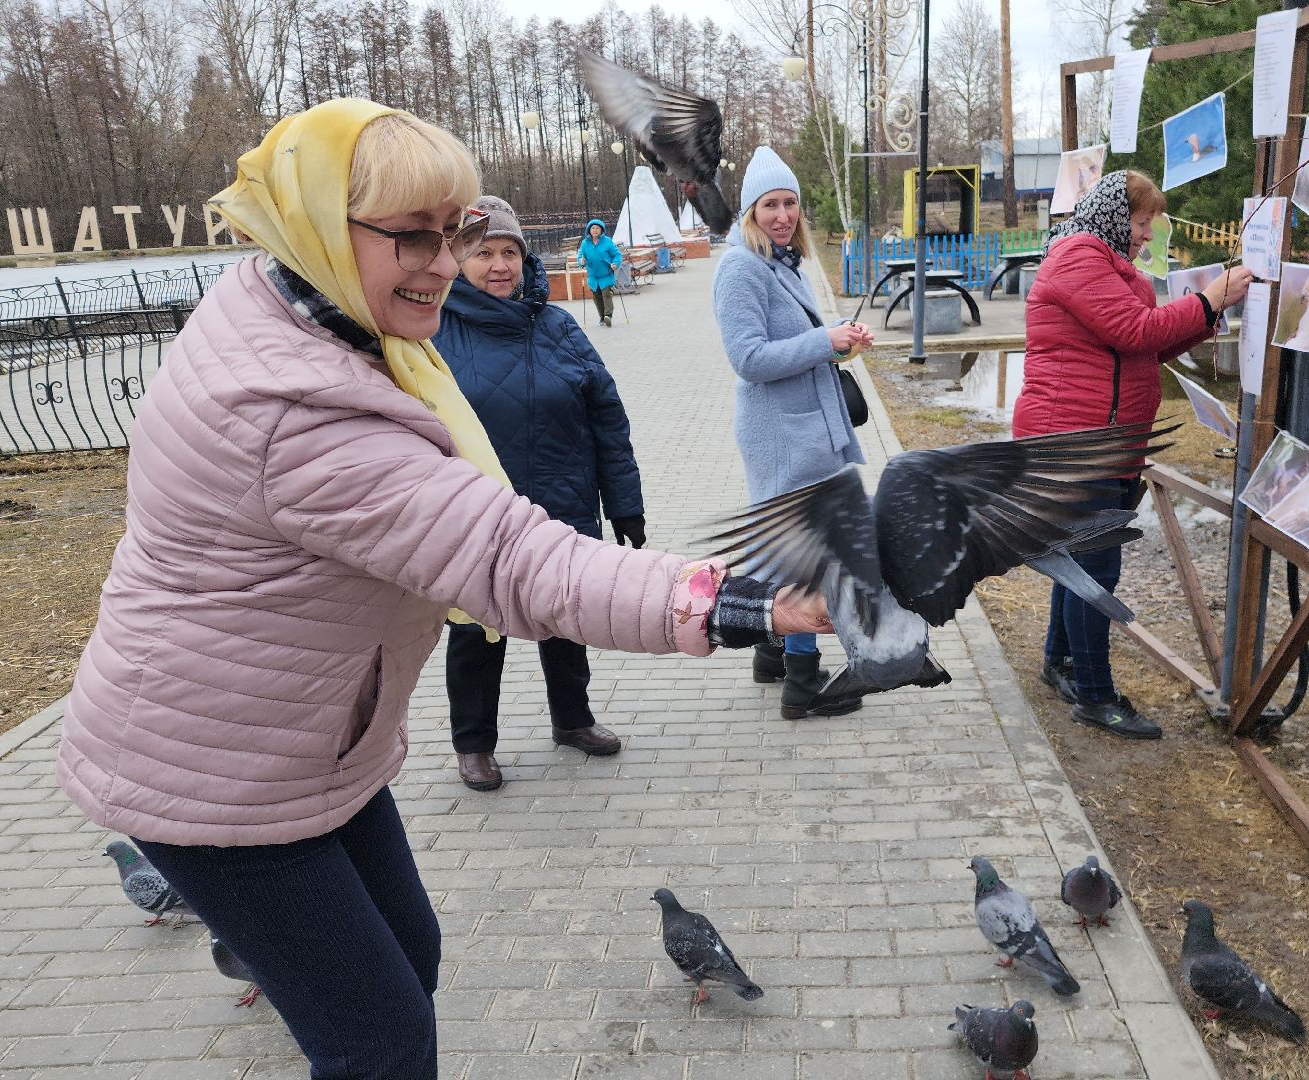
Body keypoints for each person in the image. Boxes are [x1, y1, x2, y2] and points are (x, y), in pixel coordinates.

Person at [54, 100, 830, 1080]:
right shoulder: (291, 415)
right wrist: (751, 600)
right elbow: (512, 561)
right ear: (318, 230)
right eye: (409, 236)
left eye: (452, 233)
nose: (441, 261)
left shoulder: (300, 308)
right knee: (380, 1040)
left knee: (406, 960)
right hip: (215, 769)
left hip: (297, 733)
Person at [1013, 170, 1252, 740]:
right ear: (1118, 216)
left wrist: (1206, 314)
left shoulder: (1105, 261)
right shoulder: (1079, 258)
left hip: (1100, 438)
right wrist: (1209, 296)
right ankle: (1095, 696)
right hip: (1075, 442)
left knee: (1078, 560)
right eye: (1142, 223)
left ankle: (1062, 662)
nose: (1146, 235)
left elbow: (1149, 343)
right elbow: (1134, 331)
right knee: (1096, 569)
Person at [432, 195, 644, 791]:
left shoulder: (558, 327)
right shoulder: (434, 332)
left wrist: (625, 502)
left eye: (509, 252)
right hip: (475, 516)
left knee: (566, 619)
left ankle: (572, 720)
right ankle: (474, 745)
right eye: (483, 253)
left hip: (562, 505)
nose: (499, 266)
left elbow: (608, 418)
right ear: (457, 257)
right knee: (477, 632)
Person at [712, 144, 873, 719]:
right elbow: (749, 358)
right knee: (807, 554)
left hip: (799, 427)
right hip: (783, 433)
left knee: (780, 547)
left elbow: (795, 346)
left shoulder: (783, 262)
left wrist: (838, 340)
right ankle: (803, 683)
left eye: (790, 204)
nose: (782, 215)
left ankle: (770, 653)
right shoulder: (739, 268)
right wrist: (822, 341)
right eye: (770, 204)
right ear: (749, 211)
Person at [578, 218, 622, 327]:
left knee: (606, 294)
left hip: (606, 275)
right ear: (589, 230)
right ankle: (602, 317)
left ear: (602, 230)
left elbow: (617, 255)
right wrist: (581, 261)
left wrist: (615, 263)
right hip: (593, 276)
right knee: (597, 297)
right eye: (593, 228)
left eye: (597, 228)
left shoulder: (607, 241)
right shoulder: (585, 243)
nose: (595, 230)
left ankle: (608, 316)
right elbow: (580, 256)